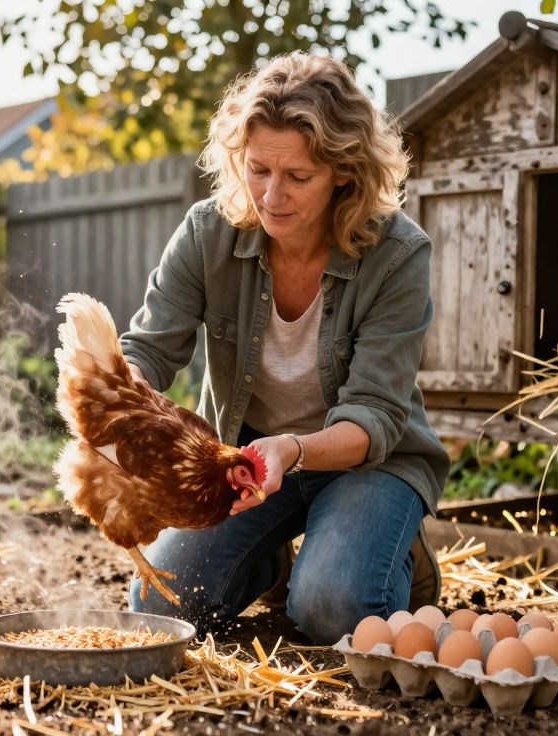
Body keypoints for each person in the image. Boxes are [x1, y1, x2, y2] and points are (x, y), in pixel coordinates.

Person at [118, 52, 450, 645]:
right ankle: (269, 557)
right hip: (249, 463)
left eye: (298, 177)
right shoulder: (207, 232)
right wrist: (117, 405)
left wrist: (292, 451)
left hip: (367, 462)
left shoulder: (398, 254)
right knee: (159, 602)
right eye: (257, 169)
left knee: (332, 611)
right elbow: (149, 349)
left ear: (344, 172)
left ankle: (397, 554)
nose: (272, 196)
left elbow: (374, 416)